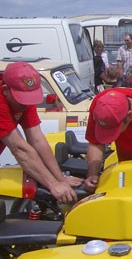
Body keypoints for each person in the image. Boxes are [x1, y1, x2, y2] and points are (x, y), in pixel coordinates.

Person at [0, 62, 79, 203]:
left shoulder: (22, 98)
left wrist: (61, 179)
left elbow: (37, 140)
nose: (26, 105)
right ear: (5, 90)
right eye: (22, 101)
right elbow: (19, 148)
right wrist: (53, 184)